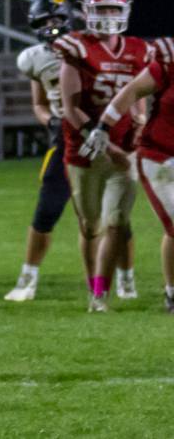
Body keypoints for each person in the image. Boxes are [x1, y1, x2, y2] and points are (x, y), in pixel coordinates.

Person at [55, 0, 152, 312]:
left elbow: (141, 97)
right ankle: (93, 284)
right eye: (102, 9)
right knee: (91, 225)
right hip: (84, 151)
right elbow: (70, 107)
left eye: (113, 9)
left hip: (125, 151)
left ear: (124, 12)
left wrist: (140, 125)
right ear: (87, 13)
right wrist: (102, 141)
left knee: (116, 222)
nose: (109, 16)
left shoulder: (139, 49)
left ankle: (101, 292)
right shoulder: (75, 47)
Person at [82, 37, 174, 313]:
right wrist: (103, 127)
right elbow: (131, 91)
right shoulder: (169, 62)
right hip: (156, 155)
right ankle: (102, 292)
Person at [5, 0, 74, 301]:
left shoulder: (87, 48)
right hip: (65, 138)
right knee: (47, 210)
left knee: (111, 217)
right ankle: (27, 279)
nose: (52, 26)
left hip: (102, 135)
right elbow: (39, 103)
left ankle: (117, 283)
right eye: (45, 21)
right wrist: (50, 121)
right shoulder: (34, 57)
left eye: (57, 19)